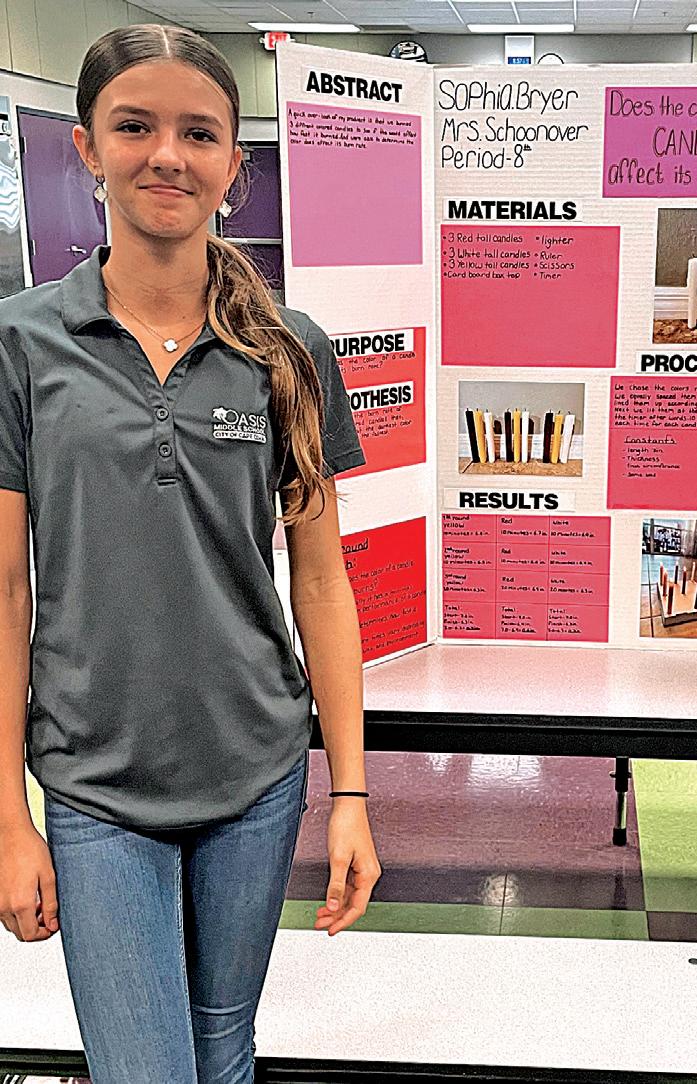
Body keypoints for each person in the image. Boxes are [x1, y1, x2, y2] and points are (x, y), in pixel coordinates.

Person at [0, 23, 381, 1083]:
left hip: (255, 770)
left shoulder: (290, 350)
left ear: (232, 165)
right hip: (95, 780)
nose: (167, 155)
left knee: (221, 1049)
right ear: (87, 147)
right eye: (135, 127)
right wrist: (7, 817)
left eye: (198, 134)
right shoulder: (21, 344)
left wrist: (350, 794)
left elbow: (321, 581)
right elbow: (4, 593)